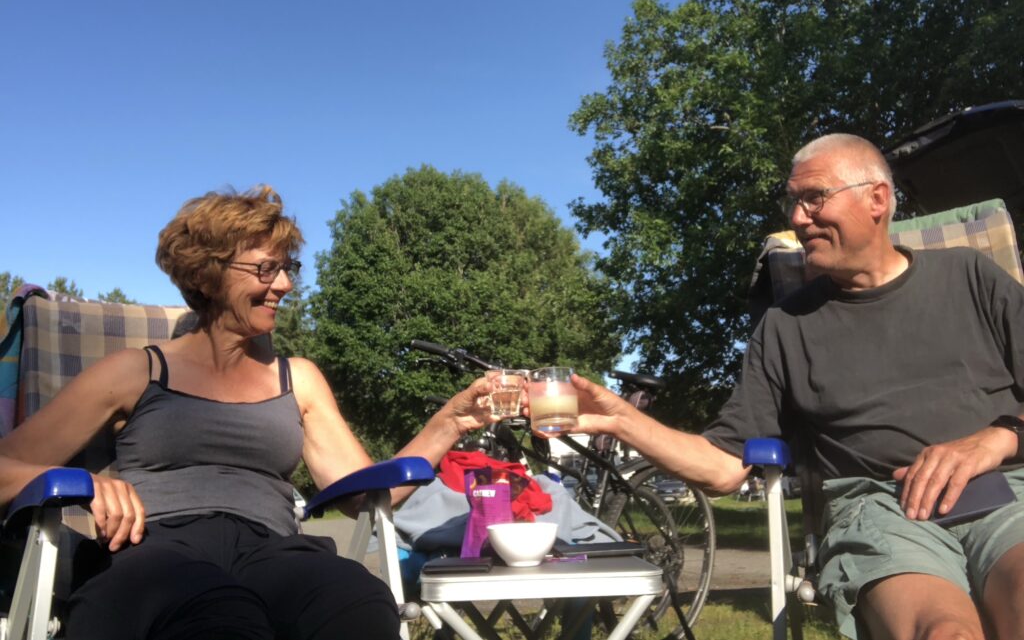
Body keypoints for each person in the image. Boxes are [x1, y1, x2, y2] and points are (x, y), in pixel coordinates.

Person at [555, 134, 1024, 640]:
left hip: (1005, 493)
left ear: (877, 199)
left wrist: (999, 438)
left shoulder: (969, 276)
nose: (798, 218)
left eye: (814, 198)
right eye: (793, 202)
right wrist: (620, 419)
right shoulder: (786, 326)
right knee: (944, 633)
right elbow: (724, 466)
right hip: (884, 511)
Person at [0, 186, 498, 640]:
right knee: (214, 616)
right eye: (265, 269)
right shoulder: (136, 371)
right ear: (206, 275)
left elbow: (366, 494)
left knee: (357, 600)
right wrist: (82, 482)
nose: (285, 284)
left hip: (274, 551)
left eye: (287, 268)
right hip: (159, 549)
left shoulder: (297, 378)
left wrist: (449, 422)